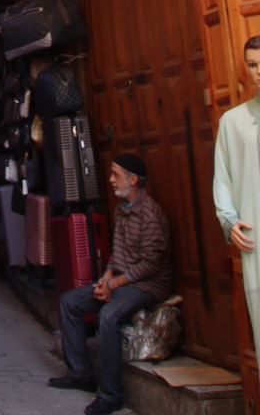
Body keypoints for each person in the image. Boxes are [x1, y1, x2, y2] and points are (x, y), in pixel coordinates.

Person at [49, 152, 172, 415]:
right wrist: (105, 277)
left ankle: (111, 394)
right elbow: (117, 251)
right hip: (121, 281)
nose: (111, 180)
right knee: (69, 302)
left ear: (133, 179)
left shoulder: (150, 214)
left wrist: (113, 285)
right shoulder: (121, 208)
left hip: (146, 285)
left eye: (116, 175)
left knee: (108, 316)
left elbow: (151, 265)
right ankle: (80, 373)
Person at [214, 34, 260, 362]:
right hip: (255, 241)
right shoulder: (232, 122)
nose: (259, 71)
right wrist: (228, 221)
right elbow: (223, 180)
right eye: (253, 65)